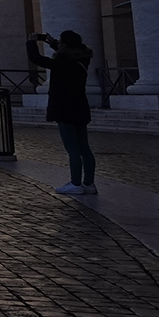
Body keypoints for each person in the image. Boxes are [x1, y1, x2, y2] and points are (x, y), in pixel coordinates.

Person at [28, 31, 96, 195]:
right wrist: (52, 42)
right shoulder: (83, 59)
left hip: (64, 107)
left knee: (72, 149)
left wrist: (31, 42)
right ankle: (89, 183)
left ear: (64, 45)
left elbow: (37, 59)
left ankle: (75, 183)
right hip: (80, 106)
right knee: (84, 148)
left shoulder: (62, 61)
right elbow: (70, 50)